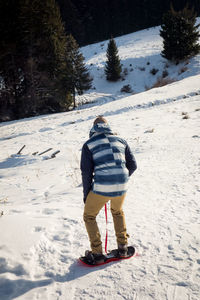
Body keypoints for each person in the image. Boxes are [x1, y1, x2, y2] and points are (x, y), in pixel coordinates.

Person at [80, 116, 137, 264]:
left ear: (93, 128)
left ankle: (97, 254)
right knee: (117, 211)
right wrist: (120, 178)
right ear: (108, 126)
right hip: (122, 185)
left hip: (102, 186)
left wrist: (87, 194)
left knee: (89, 216)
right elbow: (133, 165)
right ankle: (123, 247)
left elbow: (86, 172)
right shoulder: (121, 140)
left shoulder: (89, 144)